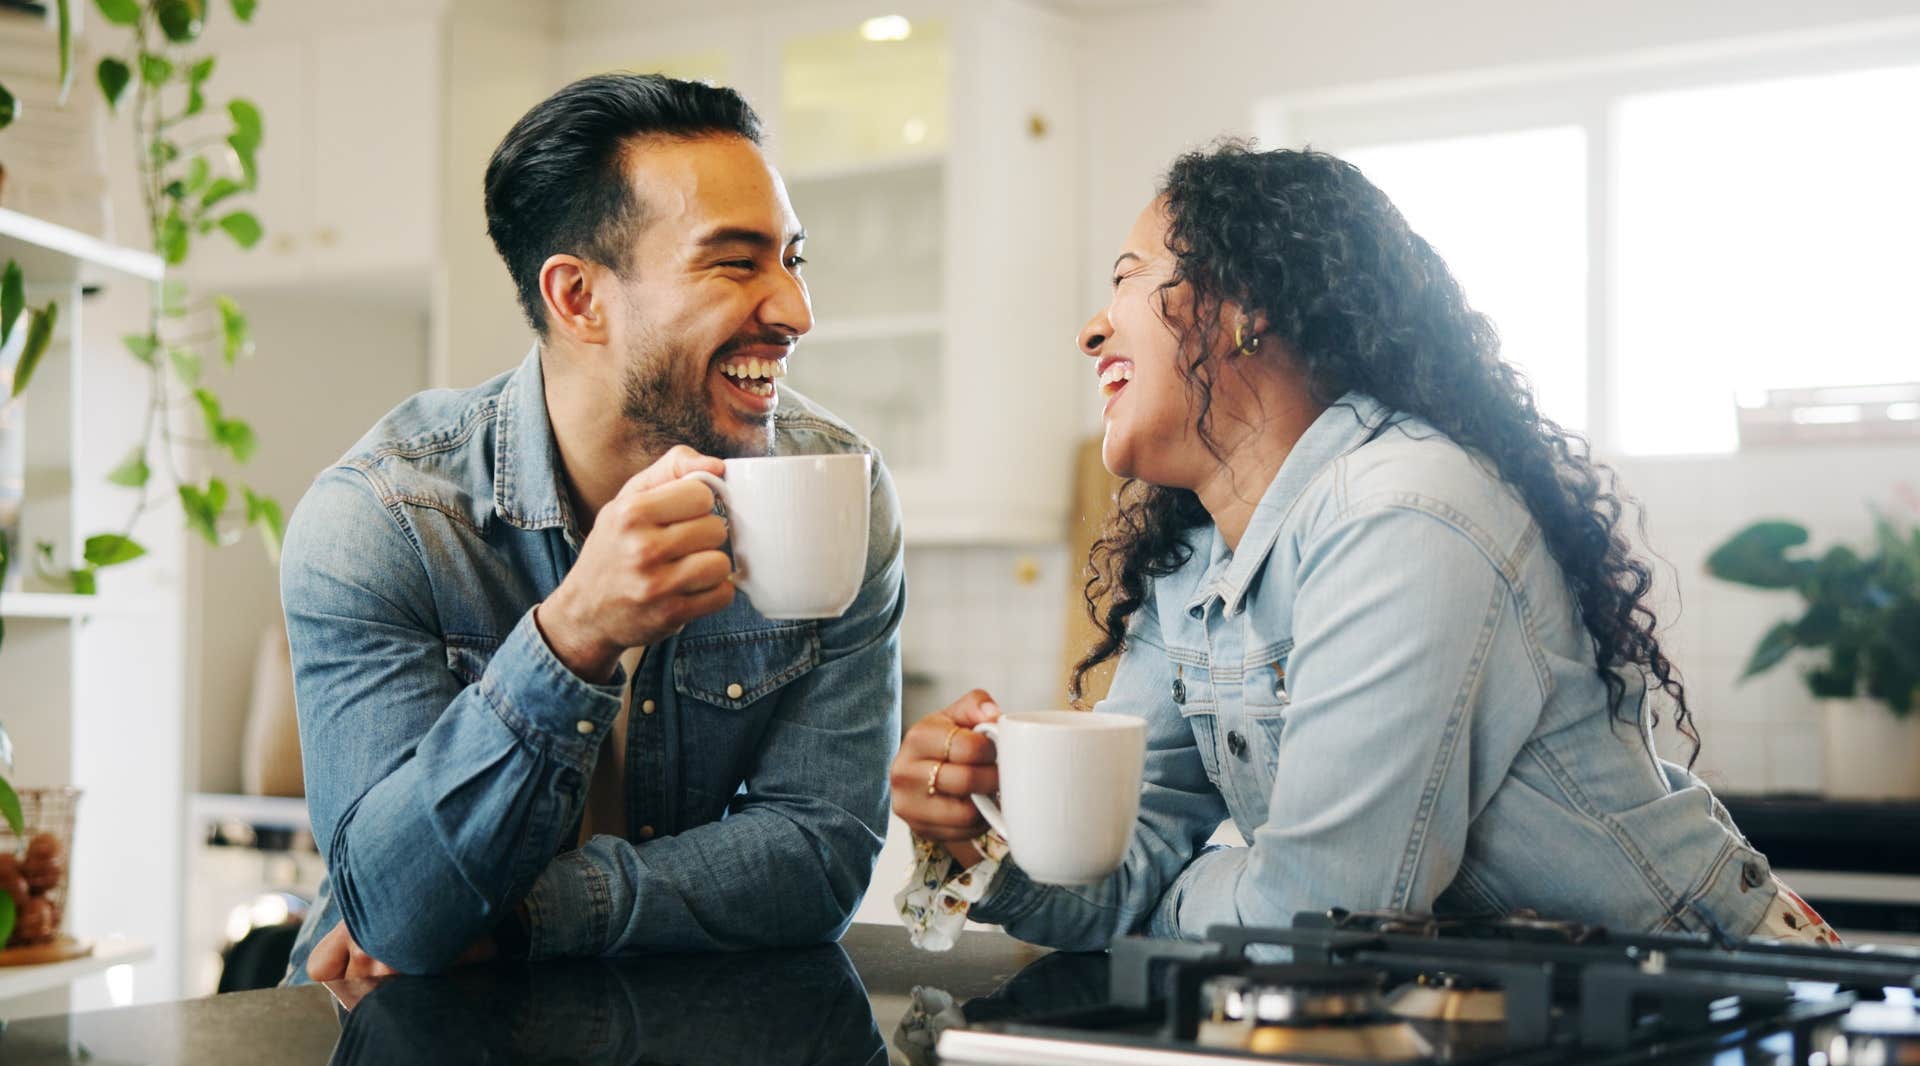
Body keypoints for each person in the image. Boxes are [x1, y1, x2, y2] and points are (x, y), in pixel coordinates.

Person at [891, 142, 1838, 951]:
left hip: (1713, 999)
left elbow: (1318, 921)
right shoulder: (1194, 565)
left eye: (1133, 275)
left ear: (1245, 306)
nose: (1094, 326)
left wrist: (1175, 902)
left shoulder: (1406, 514)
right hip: (1508, 1019)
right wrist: (992, 838)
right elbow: (1126, 862)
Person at [279, 74, 905, 982]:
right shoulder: (384, 520)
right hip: (400, 1033)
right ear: (578, 298)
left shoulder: (838, 488)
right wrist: (575, 635)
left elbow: (819, 855)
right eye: (736, 261)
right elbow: (396, 911)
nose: (795, 312)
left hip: (678, 1033)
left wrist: (527, 917)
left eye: (793, 260)